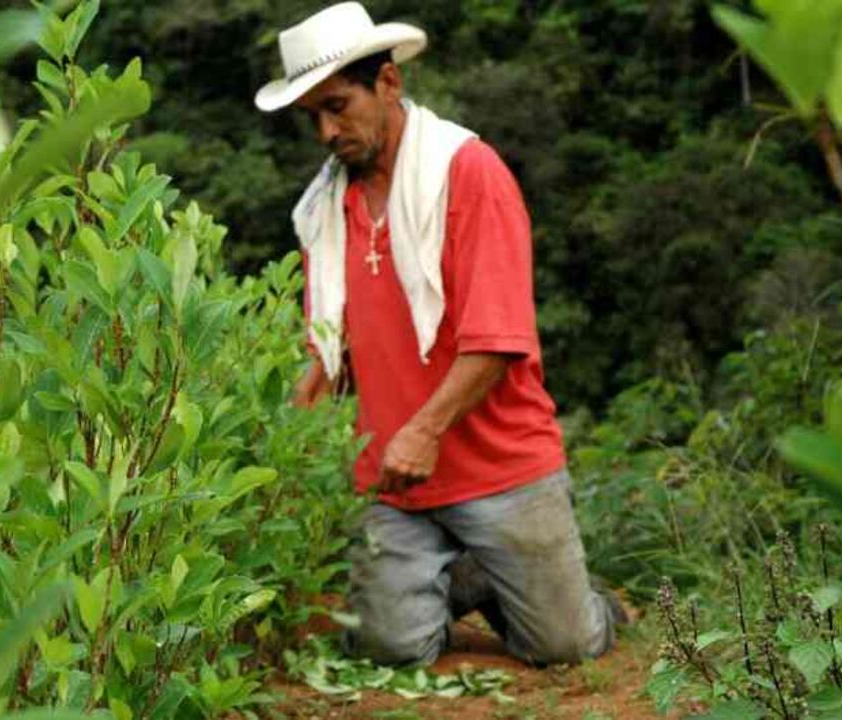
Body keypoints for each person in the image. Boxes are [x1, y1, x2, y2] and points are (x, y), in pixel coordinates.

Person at [254, 2, 625, 667]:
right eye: (312, 116)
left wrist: (423, 431)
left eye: (338, 106)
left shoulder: (469, 174)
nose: (325, 131)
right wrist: (278, 451)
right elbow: (328, 352)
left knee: (566, 647)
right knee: (390, 649)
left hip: (501, 467)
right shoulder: (322, 211)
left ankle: (555, 593)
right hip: (392, 483)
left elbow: (497, 339)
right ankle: (465, 576)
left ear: (389, 84)